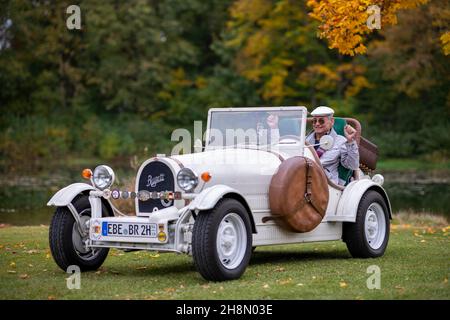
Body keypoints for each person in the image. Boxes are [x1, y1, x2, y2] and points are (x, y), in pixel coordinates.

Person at [306, 106, 359, 185]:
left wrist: (350, 142)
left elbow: (352, 165)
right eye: (314, 121)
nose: (317, 124)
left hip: (326, 182)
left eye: (321, 121)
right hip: (304, 177)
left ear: (332, 121)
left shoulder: (340, 141)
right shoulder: (304, 141)